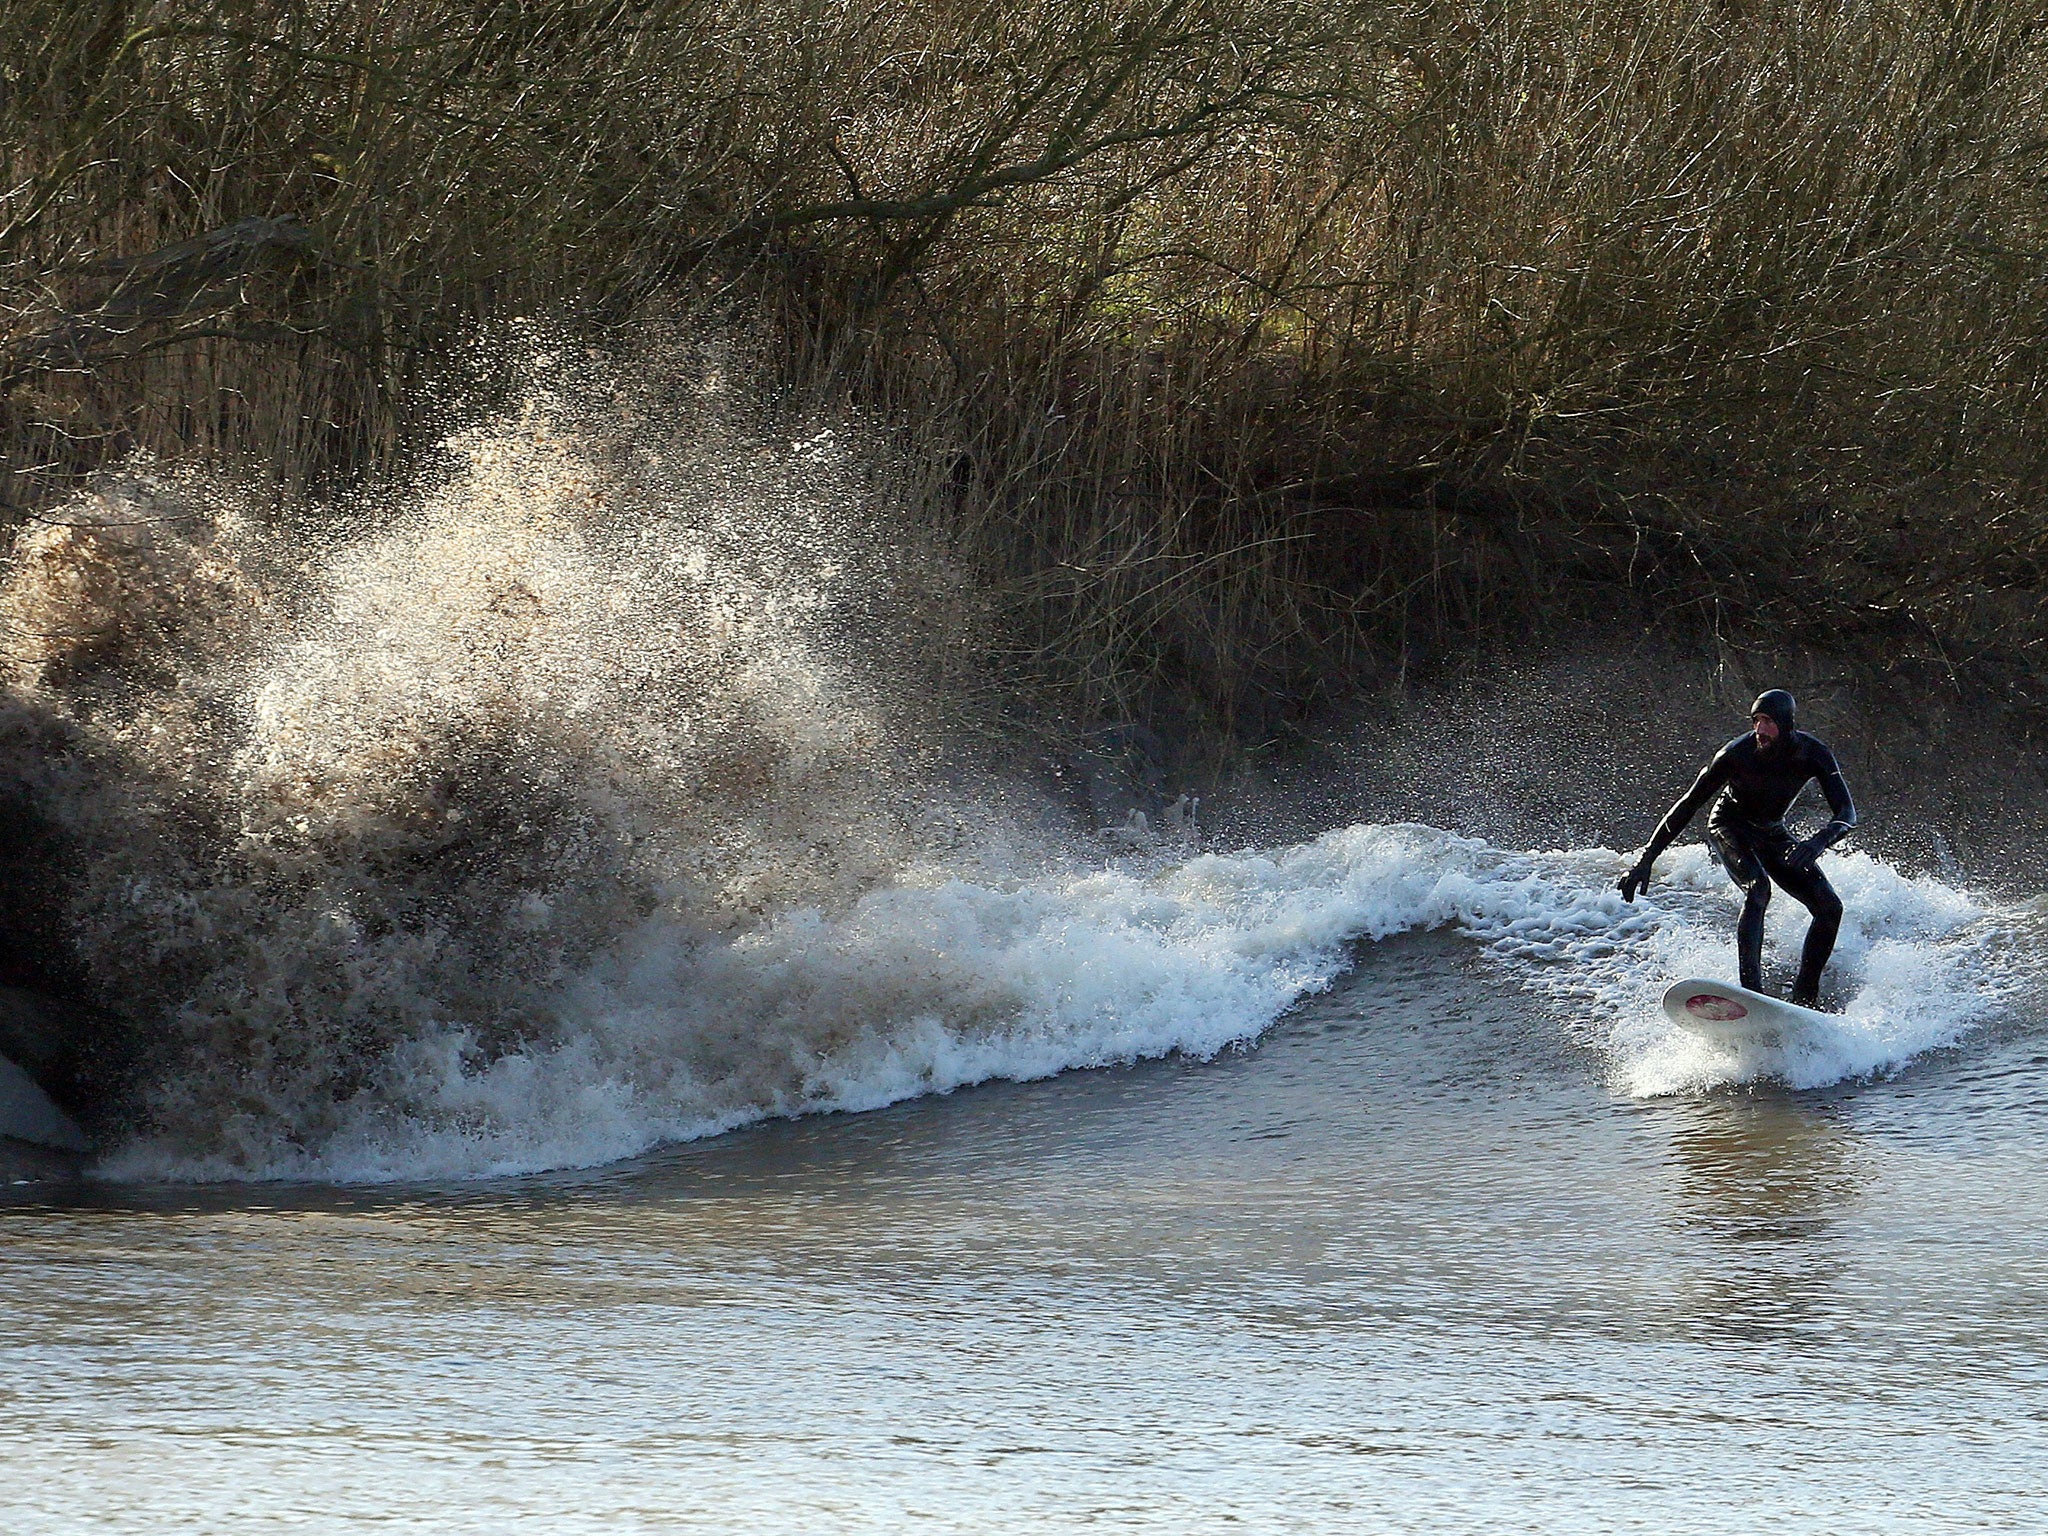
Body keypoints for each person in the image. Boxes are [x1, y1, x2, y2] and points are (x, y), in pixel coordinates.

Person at [1617, 690, 1857, 1007]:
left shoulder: (1813, 753)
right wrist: (1645, 860)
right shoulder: (1736, 753)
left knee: (1830, 908)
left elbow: (1846, 813)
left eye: (1768, 721)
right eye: (1756, 720)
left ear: (1786, 724)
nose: (1760, 730)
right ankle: (1752, 994)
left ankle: (1805, 997)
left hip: (1771, 831)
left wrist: (1816, 842)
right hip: (1729, 824)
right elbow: (1687, 806)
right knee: (1758, 889)